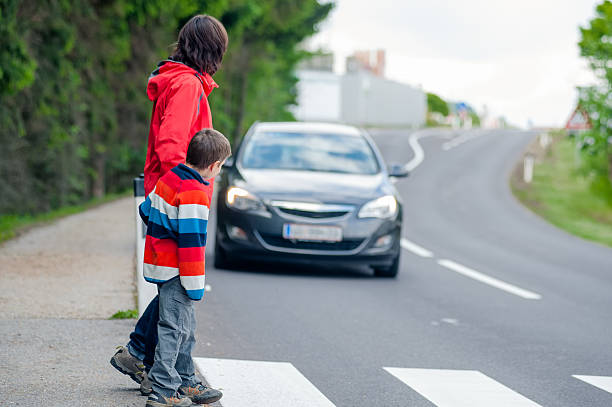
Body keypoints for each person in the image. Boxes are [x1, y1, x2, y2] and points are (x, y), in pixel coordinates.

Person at [109, 14, 228, 402]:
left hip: (167, 193)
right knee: (179, 288)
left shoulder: (179, 80)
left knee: (172, 287)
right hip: (177, 198)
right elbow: (172, 146)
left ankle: (139, 354)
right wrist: (188, 188)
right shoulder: (187, 85)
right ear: (212, 50)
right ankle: (174, 378)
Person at [140, 129, 231, 406]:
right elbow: (191, 244)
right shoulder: (194, 192)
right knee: (173, 328)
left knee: (184, 326)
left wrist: (165, 225)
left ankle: (186, 379)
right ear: (214, 166)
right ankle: (164, 389)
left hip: (160, 262)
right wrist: (195, 285)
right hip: (178, 270)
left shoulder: (171, 177)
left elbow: (146, 209)